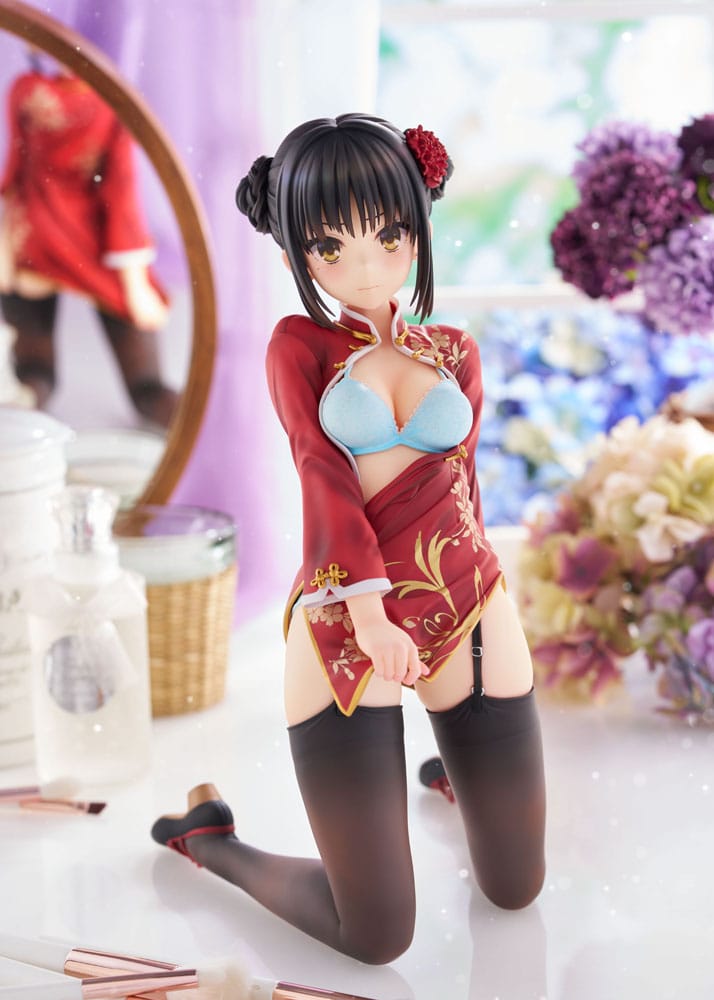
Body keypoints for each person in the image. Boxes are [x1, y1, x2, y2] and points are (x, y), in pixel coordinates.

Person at [151, 114, 546, 965]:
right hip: (347, 620)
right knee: (375, 934)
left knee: (516, 889)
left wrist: (493, 596)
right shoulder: (299, 346)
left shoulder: (454, 349)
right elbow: (320, 475)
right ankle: (212, 841)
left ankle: (457, 775)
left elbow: (464, 487)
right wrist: (369, 614)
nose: (365, 266)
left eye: (389, 235)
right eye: (331, 247)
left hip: (468, 609)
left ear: (420, 225)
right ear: (295, 255)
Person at [0, 60, 178, 428]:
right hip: (83, 243)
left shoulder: (28, 89)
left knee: (34, 375)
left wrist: (6, 241)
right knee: (146, 387)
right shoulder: (110, 97)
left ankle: (24, 412)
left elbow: (15, 172)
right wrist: (135, 283)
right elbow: (120, 193)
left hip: (33, 239)